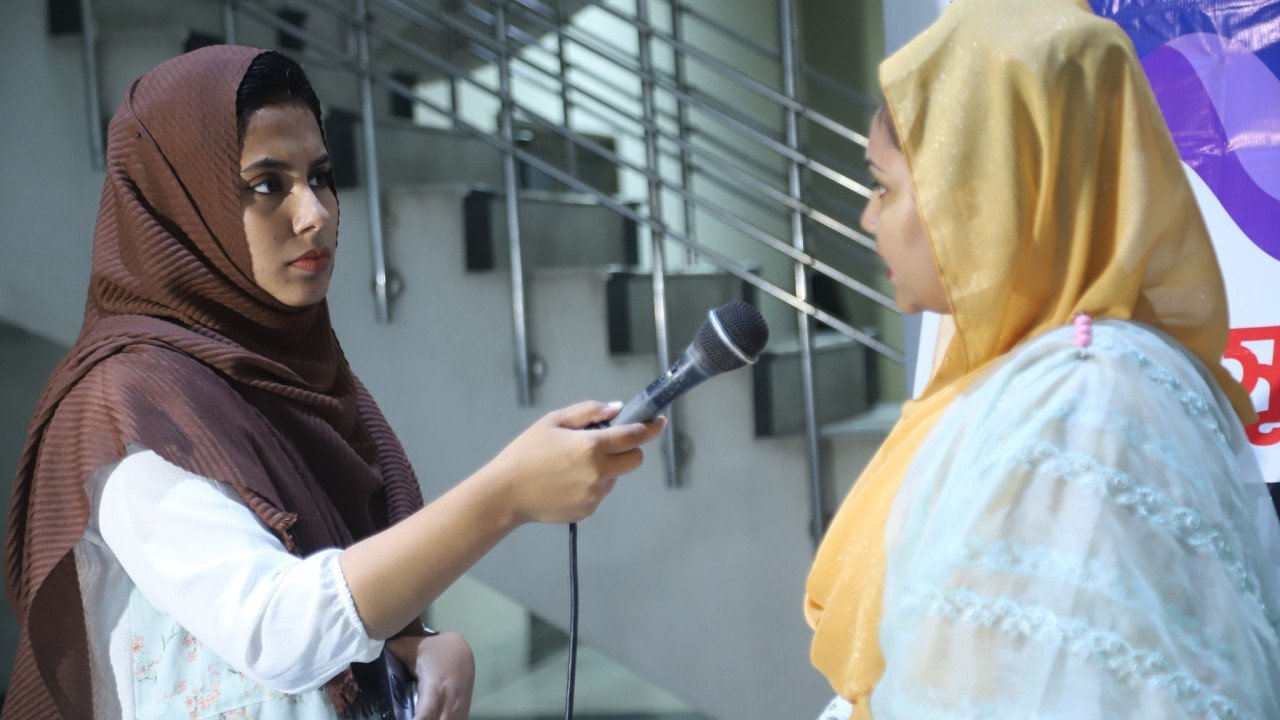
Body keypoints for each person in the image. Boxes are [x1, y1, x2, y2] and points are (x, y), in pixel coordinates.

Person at [2, 46, 665, 720]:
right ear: (182, 206)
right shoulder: (126, 403)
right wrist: (505, 496)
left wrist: (415, 641)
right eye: (267, 185)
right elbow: (272, 626)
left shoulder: (294, 379)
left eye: (319, 177)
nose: (314, 212)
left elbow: (335, 593)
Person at [805, 0, 1280, 717]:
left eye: (886, 187)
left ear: (989, 196)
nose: (871, 218)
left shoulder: (1079, 402)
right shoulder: (1035, 373)